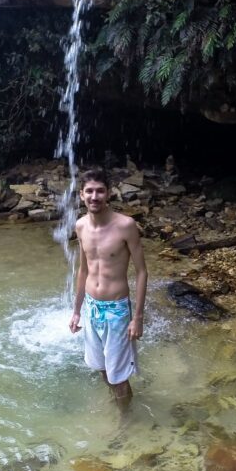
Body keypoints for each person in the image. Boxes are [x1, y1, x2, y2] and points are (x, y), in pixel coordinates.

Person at [68, 168, 147, 410]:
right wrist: (77, 310)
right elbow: (83, 270)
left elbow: (142, 271)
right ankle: (119, 404)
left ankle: (126, 422)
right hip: (91, 307)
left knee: (119, 376)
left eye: (100, 191)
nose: (94, 196)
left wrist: (138, 318)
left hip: (117, 310)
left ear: (108, 193)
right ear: (81, 195)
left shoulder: (126, 225)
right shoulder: (80, 226)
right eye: (89, 191)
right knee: (101, 368)